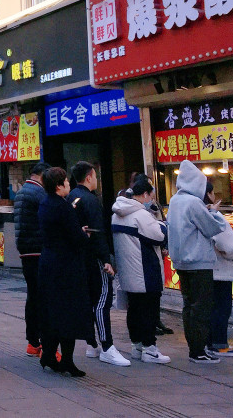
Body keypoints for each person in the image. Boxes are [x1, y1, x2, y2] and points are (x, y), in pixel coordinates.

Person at [69, 161, 129, 367]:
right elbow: (98, 233)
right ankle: (107, 346)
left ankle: (92, 343)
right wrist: (106, 260)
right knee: (102, 301)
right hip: (94, 258)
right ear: (89, 177)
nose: (96, 179)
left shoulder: (71, 198)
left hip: (79, 259)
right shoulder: (90, 200)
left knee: (88, 300)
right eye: (95, 175)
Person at [167, 159, 225, 364]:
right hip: (198, 261)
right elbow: (211, 228)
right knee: (202, 307)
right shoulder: (193, 203)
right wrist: (214, 212)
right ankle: (198, 351)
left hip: (181, 261)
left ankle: (195, 348)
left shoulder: (175, 201)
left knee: (189, 306)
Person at [111, 175, 172, 364]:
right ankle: (150, 349)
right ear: (145, 194)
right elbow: (159, 235)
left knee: (135, 310)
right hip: (145, 270)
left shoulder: (117, 212)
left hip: (128, 272)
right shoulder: (141, 214)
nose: (151, 201)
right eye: (151, 196)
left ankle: (137, 346)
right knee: (149, 310)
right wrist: (160, 222)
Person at [37, 167, 91, 377]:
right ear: (59, 186)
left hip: (48, 262)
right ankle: (67, 359)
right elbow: (75, 238)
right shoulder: (63, 207)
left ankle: (49, 354)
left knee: (51, 312)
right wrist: (83, 234)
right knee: (68, 312)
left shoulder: (44, 203)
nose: (69, 184)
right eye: (66, 182)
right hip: (66, 266)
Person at [14, 162, 49, 357]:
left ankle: (32, 341)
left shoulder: (22, 191)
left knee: (33, 296)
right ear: (42, 175)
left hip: (26, 249)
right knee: (40, 298)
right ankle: (40, 342)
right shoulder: (38, 193)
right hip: (37, 249)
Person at [204, 183, 233, 359]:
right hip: (220, 268)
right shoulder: (213, 215)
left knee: (210, 307)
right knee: (221, 307)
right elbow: (226, 244)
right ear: (209, 194)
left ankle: (209, 343)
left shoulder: (194, 212)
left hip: (204, 267)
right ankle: (219, 344)